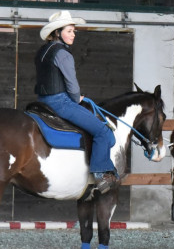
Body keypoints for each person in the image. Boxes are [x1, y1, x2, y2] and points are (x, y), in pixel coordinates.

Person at [34, 10, 118, 194]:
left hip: (42, 101)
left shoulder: (42, 51)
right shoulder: (63, 54)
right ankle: (101, 176)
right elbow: (72, 86)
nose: (73, 34)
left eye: (74, 31)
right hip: (60, 102)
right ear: (57, 32)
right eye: (69, 31)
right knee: (103, 131)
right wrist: (76, 98)